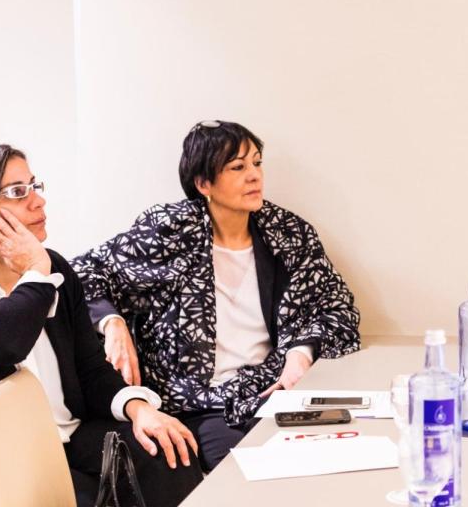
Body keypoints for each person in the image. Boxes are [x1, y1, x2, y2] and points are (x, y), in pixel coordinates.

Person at [72, 120, 361, 471]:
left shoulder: (287, 234)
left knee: (336, 460)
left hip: (274, 392)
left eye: (257, 163)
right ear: (203, 183)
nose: (254, 176)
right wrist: (112, 322)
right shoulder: (170, 232)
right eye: (237, 167)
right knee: (247, 476)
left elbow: (336, 307)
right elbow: (83, 272)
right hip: (201, 404)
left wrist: (301, 352)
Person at [0, 141, 203, 507]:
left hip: (71, 434)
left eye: (34, 187)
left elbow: (90, 369)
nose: (38, 202)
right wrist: (36, 273)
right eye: (17, 192)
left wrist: (140, 408)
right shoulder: (44, 270)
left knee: (171, 453)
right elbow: (5, 344)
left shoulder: (57, 269)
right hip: (9, 456)